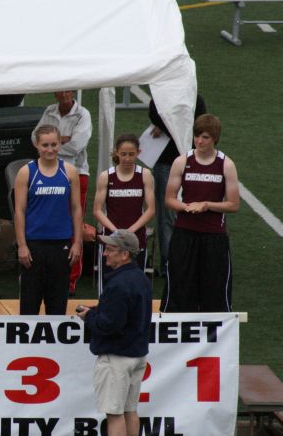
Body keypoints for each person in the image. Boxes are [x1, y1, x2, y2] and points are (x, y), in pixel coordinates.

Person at [75, 229, 152, 436]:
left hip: (117, 357)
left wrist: (89, 317)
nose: (105, 253)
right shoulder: (139, 278)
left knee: (114, 413)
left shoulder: (118, 284)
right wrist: (98, 311)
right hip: (136, 354)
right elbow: (125, 314)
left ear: (125, 254)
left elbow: (110, 324)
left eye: (110, 249)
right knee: (130, 410)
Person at [161, 114, 239, 313]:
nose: (199, 141)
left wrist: (206, 205)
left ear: (214, 138)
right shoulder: (182, 161)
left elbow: (233, 204)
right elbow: (169, 199)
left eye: (205, 137)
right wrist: (187, 207)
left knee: (214, 288)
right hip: (184, 234)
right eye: (197, 136)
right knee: (179, 286)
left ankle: (215, 336)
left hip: (214, 236)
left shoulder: (226, 165)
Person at [14, 125, 82, 315]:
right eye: (45, 145)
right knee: (29, 302)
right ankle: (28, 344)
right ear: (37, 145)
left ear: (60, 144)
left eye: (54, 144)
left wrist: (77, 243)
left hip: (61, 244)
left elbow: (76, 209)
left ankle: (54, 344)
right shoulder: (26, 172)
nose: (50, 149)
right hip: (34, 245)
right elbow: (19, 211)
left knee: (57, 303)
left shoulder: (69, 172)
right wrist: (21, 245)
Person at [33, 91, 92, 296]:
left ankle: (71, 279)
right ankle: (48, 275)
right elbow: (34, 137)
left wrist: (51, 145)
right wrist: (60, 141)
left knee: (75, 225)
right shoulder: (50, 111)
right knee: (49, 221)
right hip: (49, 172)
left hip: (76, 173)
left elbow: (77, 146)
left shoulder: (83, 114)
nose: (65, 94)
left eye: (69, 90)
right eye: (62, 90)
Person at [148, 95, 207, 275]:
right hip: (167, 162)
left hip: (188, 163)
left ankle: (181, 260)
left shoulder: (195, 98)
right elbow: (154, 113)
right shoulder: (163, 95)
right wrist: (170, 124)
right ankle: (169, 262)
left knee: (186, 213)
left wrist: (165, 126)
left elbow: (198, 122)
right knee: (167, 215)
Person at [92, 134, 155, 295]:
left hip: (136, 240)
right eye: (124, 154)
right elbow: (97, 210)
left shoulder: (145, 175)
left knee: (135, 286)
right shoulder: (106, 176)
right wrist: (117, 232)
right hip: (111, 240)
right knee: (107, 287)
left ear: (138, 153)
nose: (127, 158)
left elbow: (150, 209)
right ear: (117, 153)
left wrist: (130, 231)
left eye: (131, 154)